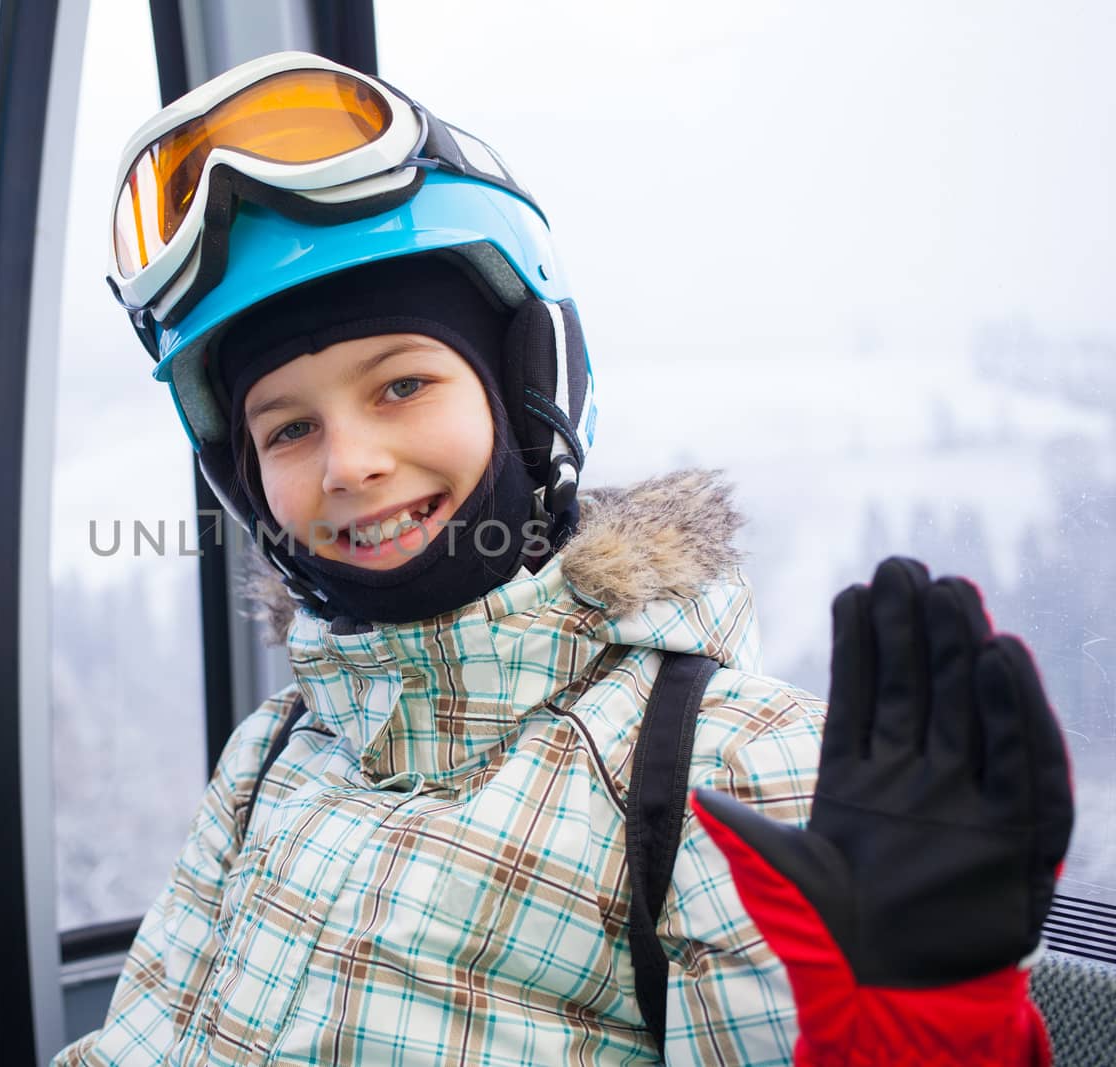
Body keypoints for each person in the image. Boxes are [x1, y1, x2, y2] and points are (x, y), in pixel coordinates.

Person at [58, 51, 1072, 1065]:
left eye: (401, 384)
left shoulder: (728, 766)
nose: (350, 463)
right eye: (286, 431)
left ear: (528, 390)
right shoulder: (276, 750)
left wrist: (929, 1034)